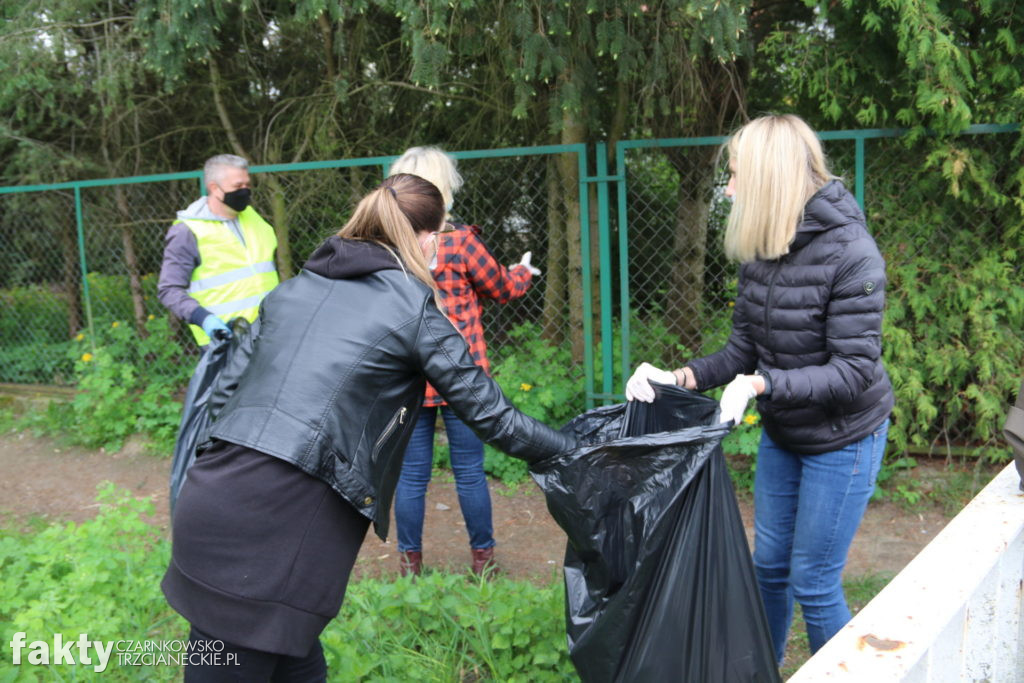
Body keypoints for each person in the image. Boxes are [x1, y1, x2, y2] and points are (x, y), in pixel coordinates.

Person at [161, 173, 575, 681]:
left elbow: (222, 397)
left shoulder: (289, 291)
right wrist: (578, 450)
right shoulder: (413, 310)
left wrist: (207, 468)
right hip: (276, 533)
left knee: (296, 658)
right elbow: (494, 417)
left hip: (213, 500)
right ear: (427, 240)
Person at [625, 114, 893, 664]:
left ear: (769, 177)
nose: (728, 187)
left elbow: (853, 372)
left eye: (735, 173)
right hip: (786, 432)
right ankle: (758, 673)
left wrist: (760, 385)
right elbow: (739, 352)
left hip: (844, 438)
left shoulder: (853, 254)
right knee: (768, 568)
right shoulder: (764, 249)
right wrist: (673, 378)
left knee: (814, 582)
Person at [386, 146, 541, 577]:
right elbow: (502, 288)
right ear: (444, 188)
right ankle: (483, 562)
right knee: (470, 473)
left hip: (408, 378)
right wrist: (523, 273)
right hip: (462, 378)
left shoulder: (386, 249)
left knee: (412, 477)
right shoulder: (460, 243)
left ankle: (409, 566)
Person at [158, 154, 278, 347]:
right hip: (226, 341)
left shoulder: (253, 218)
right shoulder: (187, 232)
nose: (245, 191)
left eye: (247, 185)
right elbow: (169, 290)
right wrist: (204, 319)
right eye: (238, 186)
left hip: (270, 332)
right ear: (214, 188)